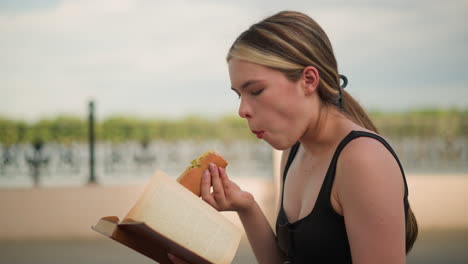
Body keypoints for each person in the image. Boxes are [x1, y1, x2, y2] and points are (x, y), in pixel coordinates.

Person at [169, 10, 418, 264]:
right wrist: (247, 207)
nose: (242, 110)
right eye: (238, 95)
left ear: (309, 80)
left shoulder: (363, 160)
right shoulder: (294, 150)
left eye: (255, 91)